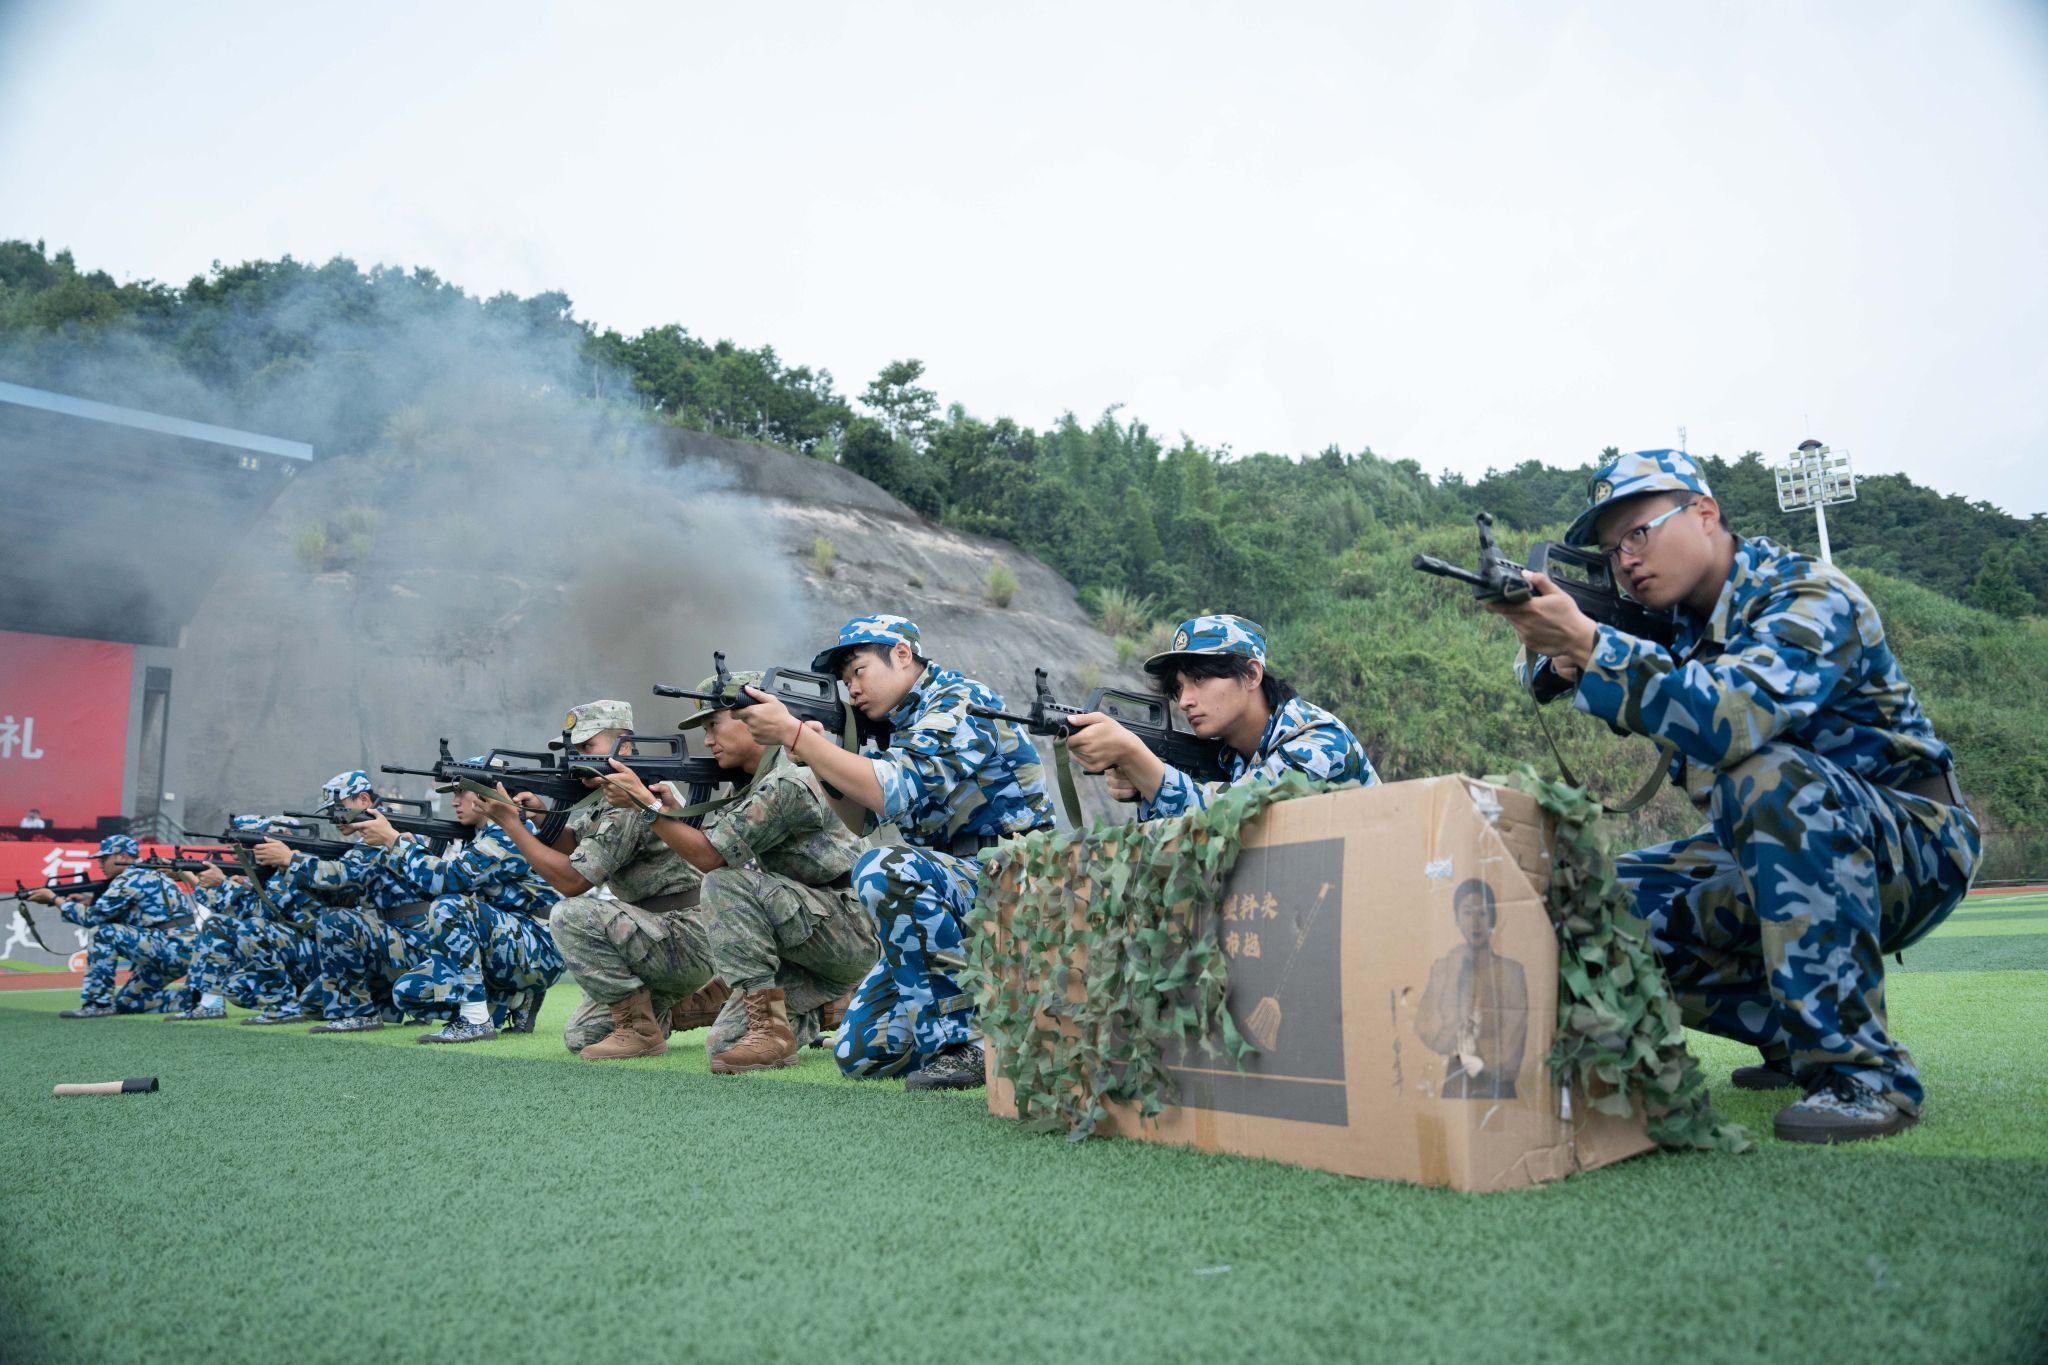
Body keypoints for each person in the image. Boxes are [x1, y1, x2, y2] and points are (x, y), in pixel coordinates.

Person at [1486, 448, 1979, 1143]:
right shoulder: (1676, 627)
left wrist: (1595, 647)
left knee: (1767, 778)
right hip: (1776, 848)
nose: (1625, 560)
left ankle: (1862, 1074)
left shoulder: (1807, 594)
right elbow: (1588, 679)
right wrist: (1563, 655)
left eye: (1638, 533)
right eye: (1611, 549)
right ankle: (1789, 1030)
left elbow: (1727, 718)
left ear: (1705, 512)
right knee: (1593, 901)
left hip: (1914, 844)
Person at [731, 615, 1054, 1090]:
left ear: (902, 655)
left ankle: (965, 1042)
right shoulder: (899, 725)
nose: (852, 688)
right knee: (861, 1054)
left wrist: (798, 737)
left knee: (885, 868)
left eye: (858, 671)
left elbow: (887, 790)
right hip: (956, 886)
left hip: (1014, 880)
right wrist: (815, 759)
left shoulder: (959, 701)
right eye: (845, 680)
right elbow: (862, 818)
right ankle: (1001, 1017)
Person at [597, 669, 879, 1073]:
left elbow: (712, 858)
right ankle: (827, 1005)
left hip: (846, 926)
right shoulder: (749, 782)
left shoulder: (790, 779)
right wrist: (669, 812)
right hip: (805, 930)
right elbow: (717, 842)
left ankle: (772, 1031)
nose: (707, 739)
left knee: (723, 884)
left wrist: (648, 808)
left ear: (753, 718)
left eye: (714, 724)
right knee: (724, 1045)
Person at [480, 700, 714, 1060]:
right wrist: (540, 817)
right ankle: (690, 1005)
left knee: (569, 914)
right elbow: (578, 847)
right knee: (582, 1035)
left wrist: (512, 825)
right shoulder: (608, 799)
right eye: (574, 749)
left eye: (588, 746)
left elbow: (572, 881)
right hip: (652, 933)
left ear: (626, 746)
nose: (578, 757)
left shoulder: (633, 799)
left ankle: (640, 1031)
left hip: (683, 935)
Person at [1062, 613, 1376, 815]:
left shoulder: (1319, 742)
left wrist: (1134, 756)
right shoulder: (1228, 756)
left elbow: (1232, 817)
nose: (1185, 701)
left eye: (1199, 678)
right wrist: (1142, 787)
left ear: (1252, 675)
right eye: (1178, 688)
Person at [351, 770, 565, 1044]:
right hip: (504, 946)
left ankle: (475, 1021)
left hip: (540, 946)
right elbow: (429, 889)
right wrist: (404, 849)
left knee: (449, 906)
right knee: (408, 991)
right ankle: (515, 999)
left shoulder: (507, 834)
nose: (454, 801)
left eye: (461, 792)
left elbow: (449, 881)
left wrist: (395, 842)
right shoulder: (480, 838)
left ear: (486, 793)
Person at [254, 770, 440, 1034]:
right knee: (312, 1004)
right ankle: (397, 1003)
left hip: (415, 944)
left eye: (338, 809)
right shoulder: (370, 839)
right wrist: (291, 867)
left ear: (364, 799)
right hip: (394, 941)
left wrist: (291, 860)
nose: (334, 818)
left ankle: (361, 1014)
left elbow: (343, 875)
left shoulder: (386, 832)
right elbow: (341, 893)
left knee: (335, 921)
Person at [30, 834, 196, 1017]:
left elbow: (93, 918)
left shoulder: (130, 878)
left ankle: (98, 1004)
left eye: (104, 858)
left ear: (122, 856)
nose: (100, 864)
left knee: (103, 933)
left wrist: (55, 899)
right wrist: (88, 901)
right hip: (177, 949)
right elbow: (133, 912)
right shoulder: (148, 872)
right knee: (128, 1003)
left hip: (169, 947)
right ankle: (197, 999)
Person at [1414, 879, 1528, 1099]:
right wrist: (1454, 975)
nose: (1475, 923)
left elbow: (1512, 1053)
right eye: (1467, 912)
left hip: (1498, 1092)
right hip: (1455, 1089)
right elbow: (1429, 1032)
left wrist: (1479, 1061)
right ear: (1456, 919)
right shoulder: (1444, 968)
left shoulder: (1512, 973)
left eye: (1483, 913)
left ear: (1493, 918)